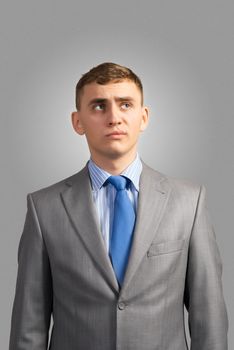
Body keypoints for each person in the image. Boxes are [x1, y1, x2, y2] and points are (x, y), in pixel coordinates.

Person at [9, 62, 228, 350]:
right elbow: (29, 325)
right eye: (99, 106)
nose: (114, 117)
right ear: (78, 122)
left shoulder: (189, 202)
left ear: (144, 116)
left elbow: (208, 319)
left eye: (125, 104)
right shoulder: (44, 208)